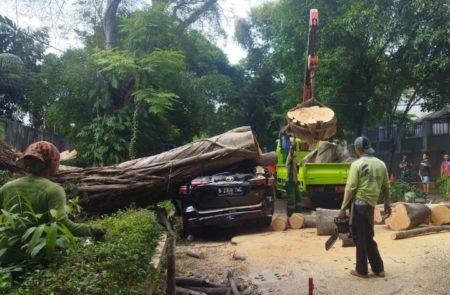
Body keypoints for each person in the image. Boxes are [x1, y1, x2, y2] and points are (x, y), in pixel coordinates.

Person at [0, 141, 106, 239]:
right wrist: (94, 229)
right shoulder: (54, 190)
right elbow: (61, 224)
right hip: (38, 253)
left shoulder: (7, 186)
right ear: (53, 162)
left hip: (6, 252)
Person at [339, 136, 391, 278]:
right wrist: (387, 204)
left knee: (360, 238)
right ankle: (378, 268)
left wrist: (343, 208)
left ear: (359, 149)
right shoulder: (381, 164)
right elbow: (386, 187)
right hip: (371, 205)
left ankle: (361, 270)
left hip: (359, 204)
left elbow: (350, 188)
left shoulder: (357, 164)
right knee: (368, 236)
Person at [285, 143, 302, 216]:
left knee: (298, 198)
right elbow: (291, 154)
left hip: (294, 182)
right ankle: (290, 216)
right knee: (291, 200)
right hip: (290, 182)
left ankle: (298, 215)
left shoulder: (294, 163)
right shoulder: (289, 160)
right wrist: (292, 146)